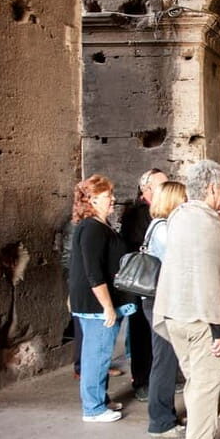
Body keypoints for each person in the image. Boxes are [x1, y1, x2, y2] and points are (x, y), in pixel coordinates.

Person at [153, 160, 220, 439]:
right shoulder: (207, 224)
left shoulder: (180, 216)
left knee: (197, 385)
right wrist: (219, 330)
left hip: (175, 312)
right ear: (211, 188)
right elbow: (216, 277)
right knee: (208, 386)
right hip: (202, 319)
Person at [68, 175, 136, 423]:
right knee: (97, 355)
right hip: (97, 304)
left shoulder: (97, 225)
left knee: (97, 353)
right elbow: (93, 272)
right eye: (108, 196)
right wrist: (107, 306)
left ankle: (99, 399)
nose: (113, 199)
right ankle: (93, 408)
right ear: (92, 199)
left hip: (97, 301)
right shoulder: (92, 228)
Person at [142, 181, 187, 439]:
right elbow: (177, 261)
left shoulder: (161, 226)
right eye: (183, 198)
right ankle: (160, 422)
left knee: (166, 358)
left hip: (160, 299)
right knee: (164, 359)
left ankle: (166, 414)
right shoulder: (162, 229)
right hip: (160, 300)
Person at [120, 168, 168, 402]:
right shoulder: (137, 214)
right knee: (140, 333)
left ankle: (159, 378)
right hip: (142, 283)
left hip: (157, 282)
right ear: (146, 189)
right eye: (161, 186)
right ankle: (142, 381)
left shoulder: (158, 212)